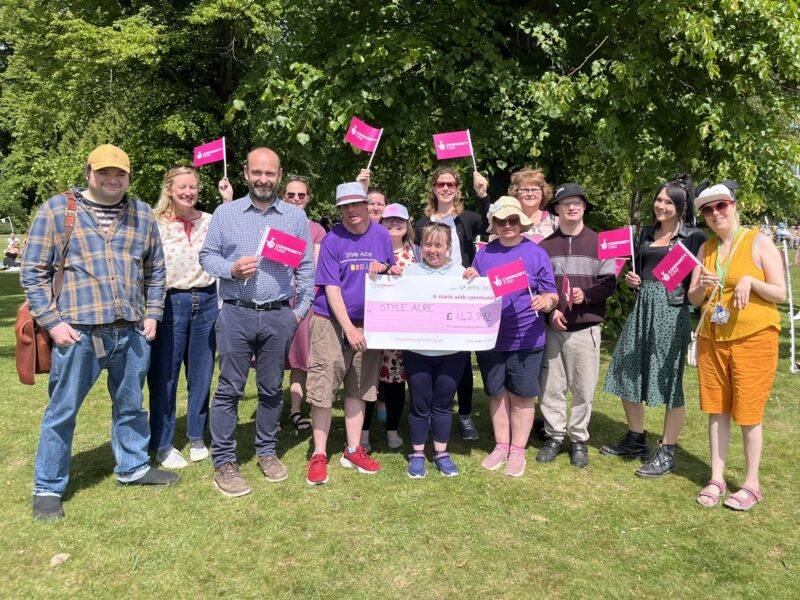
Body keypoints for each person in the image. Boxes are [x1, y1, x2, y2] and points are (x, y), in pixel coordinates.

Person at [23, 144, 176, 521]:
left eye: (119, 173)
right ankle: (48, 487)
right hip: (78, 332)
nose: (112, 179)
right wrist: (53, 322)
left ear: (129, 177)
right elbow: (33, 272)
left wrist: (153, 314)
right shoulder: (58, 210)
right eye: (104, 172)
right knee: (62, 410)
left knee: (131, 406)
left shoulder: (141, 213)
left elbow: (156, 270)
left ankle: (133, 467)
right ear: (88, 172)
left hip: (131, 331)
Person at [199, 148, 314, 497]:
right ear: (246, 173)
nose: (263, 179)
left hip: (279, 315)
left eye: (270, 173)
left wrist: (297, 313)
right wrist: (230, 269)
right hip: (236, 312)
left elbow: (306, 269)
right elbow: (207, 256)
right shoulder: (226, 213)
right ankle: (224, 461)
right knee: (229, 389)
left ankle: (266, 451)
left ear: (279, 175)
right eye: (257, 173)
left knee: (271, 389)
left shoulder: (294, 218)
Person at [688, 183, 785, 510]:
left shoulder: (758, 241)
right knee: (717, 409)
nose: (715, 213)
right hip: (712, 339)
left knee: (748, 412)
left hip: (753, 339)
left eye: (721, 206)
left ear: (734, 206)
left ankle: (751, 484)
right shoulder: (706, 249)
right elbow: (693, 299)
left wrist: (751, 281)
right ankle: (716, 478)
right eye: (708, 210)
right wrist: (700, 286)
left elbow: (780, 292)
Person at [602, 177, 706, 476]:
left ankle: (667, 450)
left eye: (668, 202)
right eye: (659, 200)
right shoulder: (645, 233)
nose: (661, 206)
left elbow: (695, 281)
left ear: (681, 206)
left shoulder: (693, 237)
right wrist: (632, 281)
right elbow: (639, 270)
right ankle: (636, 438)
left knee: (669, 379)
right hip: (643, 306)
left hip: (671, 311)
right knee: (626, 366)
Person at [304, 182, 399, 485]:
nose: (351, 210)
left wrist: (386, 268)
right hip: (331, 322)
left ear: (367, 204)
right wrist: (348, 328)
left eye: (356, 204)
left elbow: (389, 270)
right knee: (324, 388)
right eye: (345, 206)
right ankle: (319, 454)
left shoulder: (381, 235)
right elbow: (331, 288)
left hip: (369, 323)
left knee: (359, 387)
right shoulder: (332, 240)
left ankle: (354, 450)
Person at [465, 197, 558, 477]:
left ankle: (518, 450)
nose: (507, 225)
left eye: (513, 220)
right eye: (502, 221)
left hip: (526, 337)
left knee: (522, 396)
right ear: (494, 224)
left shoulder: (536, 252)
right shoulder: (484, 254)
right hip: (490, 337)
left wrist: (546, 301)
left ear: (522, 222)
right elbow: (474, 289)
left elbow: (551, 293)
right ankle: (501, 446)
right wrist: (470, 277)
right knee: (496, 393)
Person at [536, 183, 616, 468]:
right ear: (556, 209)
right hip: (553, 327)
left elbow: (609, 283)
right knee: (551, 386)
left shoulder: (600, 242)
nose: (572, 207)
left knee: (583, 388)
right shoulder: (544, 247)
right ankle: (554, 436)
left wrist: (587, 296)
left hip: (585, 327)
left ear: (584, 207)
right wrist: (550, 312)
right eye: (566, 203)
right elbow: (540, 287)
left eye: (577, 203)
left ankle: (579, 439)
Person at [146, 166, 218, 469]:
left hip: (207, 301)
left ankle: (197, 436)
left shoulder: (210, 221)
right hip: (169, 304)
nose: (189, 192)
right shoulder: (154, 222)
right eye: (182, 187)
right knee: (164, 376)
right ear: (169, 189)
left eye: (193, 187)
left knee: (201, 374)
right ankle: (162, 443)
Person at [414, 167, 488, 440]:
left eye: (451, 184)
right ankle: (430, 413)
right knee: (431, 354)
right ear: (433, 188)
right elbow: (416, 256)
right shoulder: (422, 222)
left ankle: (465, 414)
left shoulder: (467, 218)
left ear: (457, 188)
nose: (445, 188)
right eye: (440, 184)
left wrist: (484, 195)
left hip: (460, 294)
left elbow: (491, 226)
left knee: (461, 358)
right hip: (430, 296)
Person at [403, 223, 469, 477]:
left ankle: (441, 453)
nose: (432, 250)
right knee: (419, 405)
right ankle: (417, 453)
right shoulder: (409, 273)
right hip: (417, 353)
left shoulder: (461, 274)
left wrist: (476, 282)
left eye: (438, 245)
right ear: (421, 246)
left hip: (451, 354)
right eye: (428, 244)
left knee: (442, 405)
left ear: (448, 247)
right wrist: (388, 277)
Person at [360, 203, 417, 451]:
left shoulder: (416, 254)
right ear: (381, 224)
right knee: (368, 380)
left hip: (401, 330)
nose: (394, 224)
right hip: (371, 327)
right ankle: (363, 433)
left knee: (395, 382)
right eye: (389, 220)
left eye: (399, 220)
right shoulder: (370, 250)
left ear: (407, 225)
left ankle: (392, 430)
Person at [282, 174, 326, 431]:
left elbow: (315, 268)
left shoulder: (317, 230)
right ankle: (270, 411)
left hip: (304, 301)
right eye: (291, 194)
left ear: (308, 198)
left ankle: (296, 410)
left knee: (300, 359)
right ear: (283, 197)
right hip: (274, 300)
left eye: (301, 195)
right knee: (273, 358)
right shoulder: (271, 223)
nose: (296, 199)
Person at [473, 167, 558, 243]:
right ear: (516, 193)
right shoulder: (504, 219)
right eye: (525, 190)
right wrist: (482, 194)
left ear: (543, 194)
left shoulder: (555, 222)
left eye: (535, 189)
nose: (530, 194)